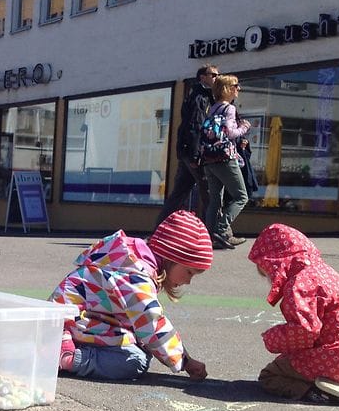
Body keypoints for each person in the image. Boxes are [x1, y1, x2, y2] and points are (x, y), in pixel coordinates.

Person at [50, 210, 212, 381]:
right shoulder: (137, 278)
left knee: (142, 349)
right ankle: (67, 357)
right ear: (171, 257)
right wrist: (185, 361)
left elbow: (141, 319)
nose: (188, 281)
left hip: (74, 319)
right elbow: (152, 323)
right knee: (135, 360)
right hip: (68, 321)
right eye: (189, 272)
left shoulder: (131, 261)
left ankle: (64, 346)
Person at [247, 224, 339, 406]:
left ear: (277, 264)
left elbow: (304, 331)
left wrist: (272, 339)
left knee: (271, 375)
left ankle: (317, 392)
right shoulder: (324, 271)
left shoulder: (299, 283)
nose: (270, 279)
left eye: (268, 274)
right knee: (291, 360)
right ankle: (335, 382)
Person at [155, 65, 218, 227]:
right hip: (193, 152)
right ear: (202, 77)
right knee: (209, 190)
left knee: (179, 193)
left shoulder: (199, 94)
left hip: (187, 151)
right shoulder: (200, 97)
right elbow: (195, 126)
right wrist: (195, 154)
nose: (216, 78)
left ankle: (159, 229)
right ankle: (213, 231)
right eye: (213, 75)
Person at [201, 74, 251, 250]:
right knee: (241, 196)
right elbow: (230, 133)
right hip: (224, 158)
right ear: (227, 89)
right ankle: (221, 231)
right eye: (236, 86)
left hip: (209, 158)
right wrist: (244, 127)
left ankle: (210, 236)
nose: (239, 89)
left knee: (215, 199)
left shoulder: (212, 108)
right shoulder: (229, 109)